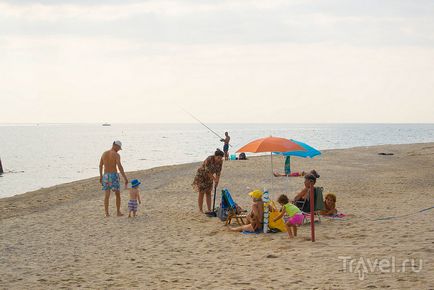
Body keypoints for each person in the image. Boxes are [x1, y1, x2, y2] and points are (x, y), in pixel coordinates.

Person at [99, 141, 129, 217]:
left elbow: (100, 165)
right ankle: (118, 212)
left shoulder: (104, 153)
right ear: (115, 145)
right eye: (119, 148)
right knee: (117, 194)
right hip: (113, 176)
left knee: (107, 195)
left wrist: (101, 176)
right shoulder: (116, 155)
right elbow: (119, 166)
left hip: (106, 176)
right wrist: (125, 178)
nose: (119, 150)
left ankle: (106, 213)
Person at [192, 149, 224, 213]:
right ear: (215, 156)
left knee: (208, 192)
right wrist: (214, 179)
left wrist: (217, 181)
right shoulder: (209, 159)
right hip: (201, 176)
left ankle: (209, 209)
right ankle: (200, 210)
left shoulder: (220, 162)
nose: (219, 159)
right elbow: (207, 171)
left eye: (221, 158)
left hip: (210, 177)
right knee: (201, 192)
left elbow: (218, 172)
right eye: (218, 158)